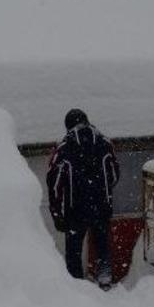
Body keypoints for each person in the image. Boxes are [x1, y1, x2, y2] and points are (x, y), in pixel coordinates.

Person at [46, 108, 120, 290]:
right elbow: (114, 174)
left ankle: (77, 288)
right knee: (102, 244)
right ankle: (104, 279)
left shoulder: (65, 147)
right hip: (101, 206)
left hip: (75, 209)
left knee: (74, 252)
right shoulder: (104, 142)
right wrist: (101, 190)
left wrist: (57, 212)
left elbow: (54, 182)